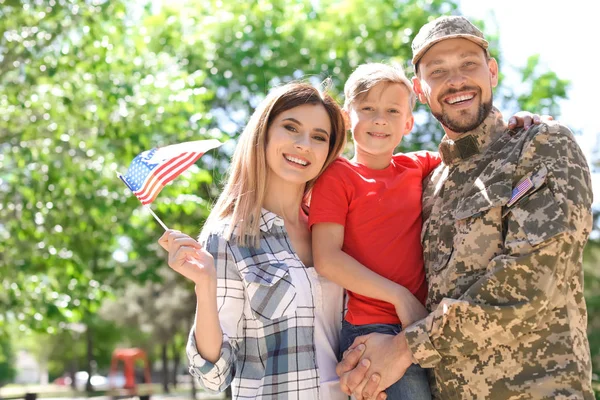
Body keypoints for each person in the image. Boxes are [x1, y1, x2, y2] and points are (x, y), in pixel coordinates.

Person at [335, 15, 594, 400]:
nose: (455, 80)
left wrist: (404, 349)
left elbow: (532, 280)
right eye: (437, 71)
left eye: (468, 64)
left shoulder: (539, 145)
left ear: (492, 72)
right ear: (420, 92)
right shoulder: (426, 182)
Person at [158, 81, 351, 399]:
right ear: (263, 133)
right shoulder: (230, 237)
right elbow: (215, 377)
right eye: (291, 128)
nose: (304, 144)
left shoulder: (335, 232)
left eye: (319, 137)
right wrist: (204, 288)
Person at [309, 63, 438, 400]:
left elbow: (476, 151)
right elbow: (327, 258)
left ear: (408, 123)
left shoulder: (418, 164)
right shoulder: (336, 175)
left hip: (425, 326)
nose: (380, 119)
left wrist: (522, 123)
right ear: (347, 116)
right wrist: (401, 297)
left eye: (392, 110)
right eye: (368, 109)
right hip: (372, 329)